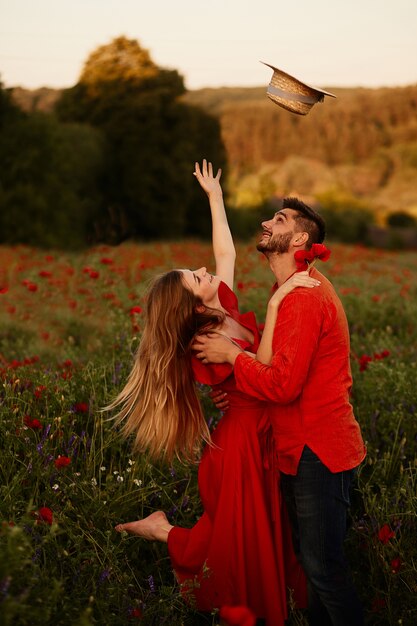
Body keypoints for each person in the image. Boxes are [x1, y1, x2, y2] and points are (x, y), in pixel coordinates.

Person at [111, 160, 320, 625]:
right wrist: (278, 300)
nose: (206, 271)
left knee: (259, 532)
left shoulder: (220, 305)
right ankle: (164, 532)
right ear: (191, 301)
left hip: (260, 433)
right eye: (196, 277)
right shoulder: (204, 341)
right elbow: (262, 367)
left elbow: (223, 253)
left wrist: (215, 197)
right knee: (235, 540)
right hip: (239, 446)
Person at [193, 198, 367, 626]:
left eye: (280, 220)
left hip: (317, 451)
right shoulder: (286, 292)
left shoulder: (303, 298)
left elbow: (282, 385)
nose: (267, 223)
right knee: (313, 569)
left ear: (300, 238)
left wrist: (234, 362)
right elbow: (271, 370)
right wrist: (236, 385)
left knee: (324, 571)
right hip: (295, 448)